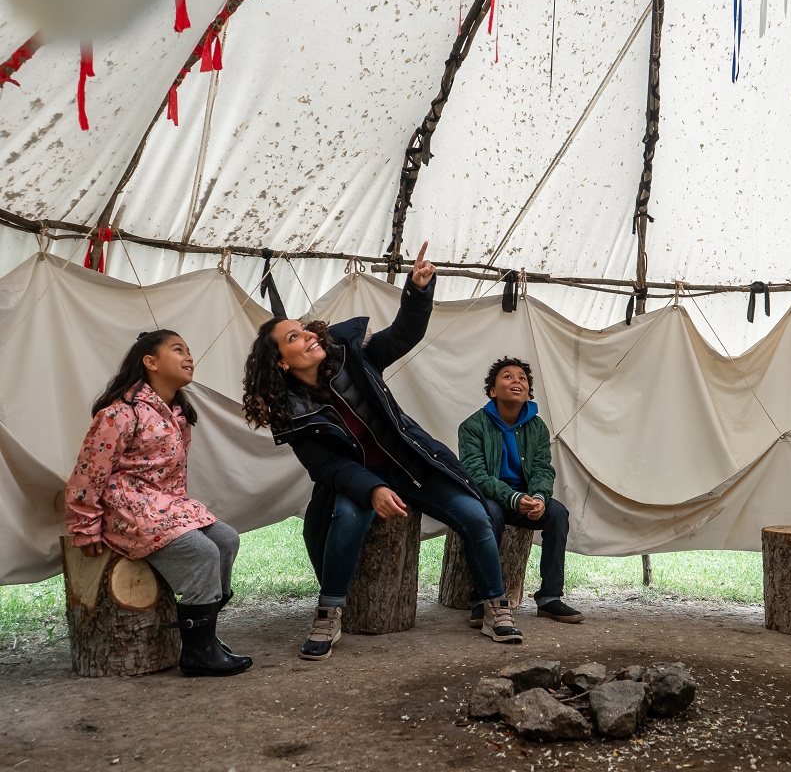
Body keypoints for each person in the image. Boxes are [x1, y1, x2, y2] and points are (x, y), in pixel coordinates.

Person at [242, 243, 523, 660]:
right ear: (281, 361)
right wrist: (371, 488)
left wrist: (417, 290)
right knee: (348, 514)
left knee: (475, 516)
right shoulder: (290, 413)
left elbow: (403, 335)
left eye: (304, 329)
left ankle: (494, 607)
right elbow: (327, 466)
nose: (308, 335)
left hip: (413, 464)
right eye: (294, 337)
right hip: (359, 480)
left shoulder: (353, 356)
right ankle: (329, 613)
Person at [65, 329, 252, 677]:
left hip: (165, 505)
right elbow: (87, 475)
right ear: (150, 362)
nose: (189, 357)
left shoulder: (178, 414)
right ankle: (198, 654)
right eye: (178, 349)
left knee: (226, 539)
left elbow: (173, 478)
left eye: (190, 350)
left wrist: (181, 516)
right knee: (201, 552)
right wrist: (85, 529)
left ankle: (202, 635)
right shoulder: (120, 414)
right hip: (126, 509)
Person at [458, 357, 584, 626]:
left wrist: (538, 497)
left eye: (522, 378)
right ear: (493, 390)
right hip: (491, 499)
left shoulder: (537, 427)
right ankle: (483, 599)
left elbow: (543, 469)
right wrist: (512, 498)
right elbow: (475, 475)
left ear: (527, 391)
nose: (516, 380)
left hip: (525, 499)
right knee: (489, 514)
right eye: (507, 376)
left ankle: (549, 598)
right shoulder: (472, 426)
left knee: (557, 513)